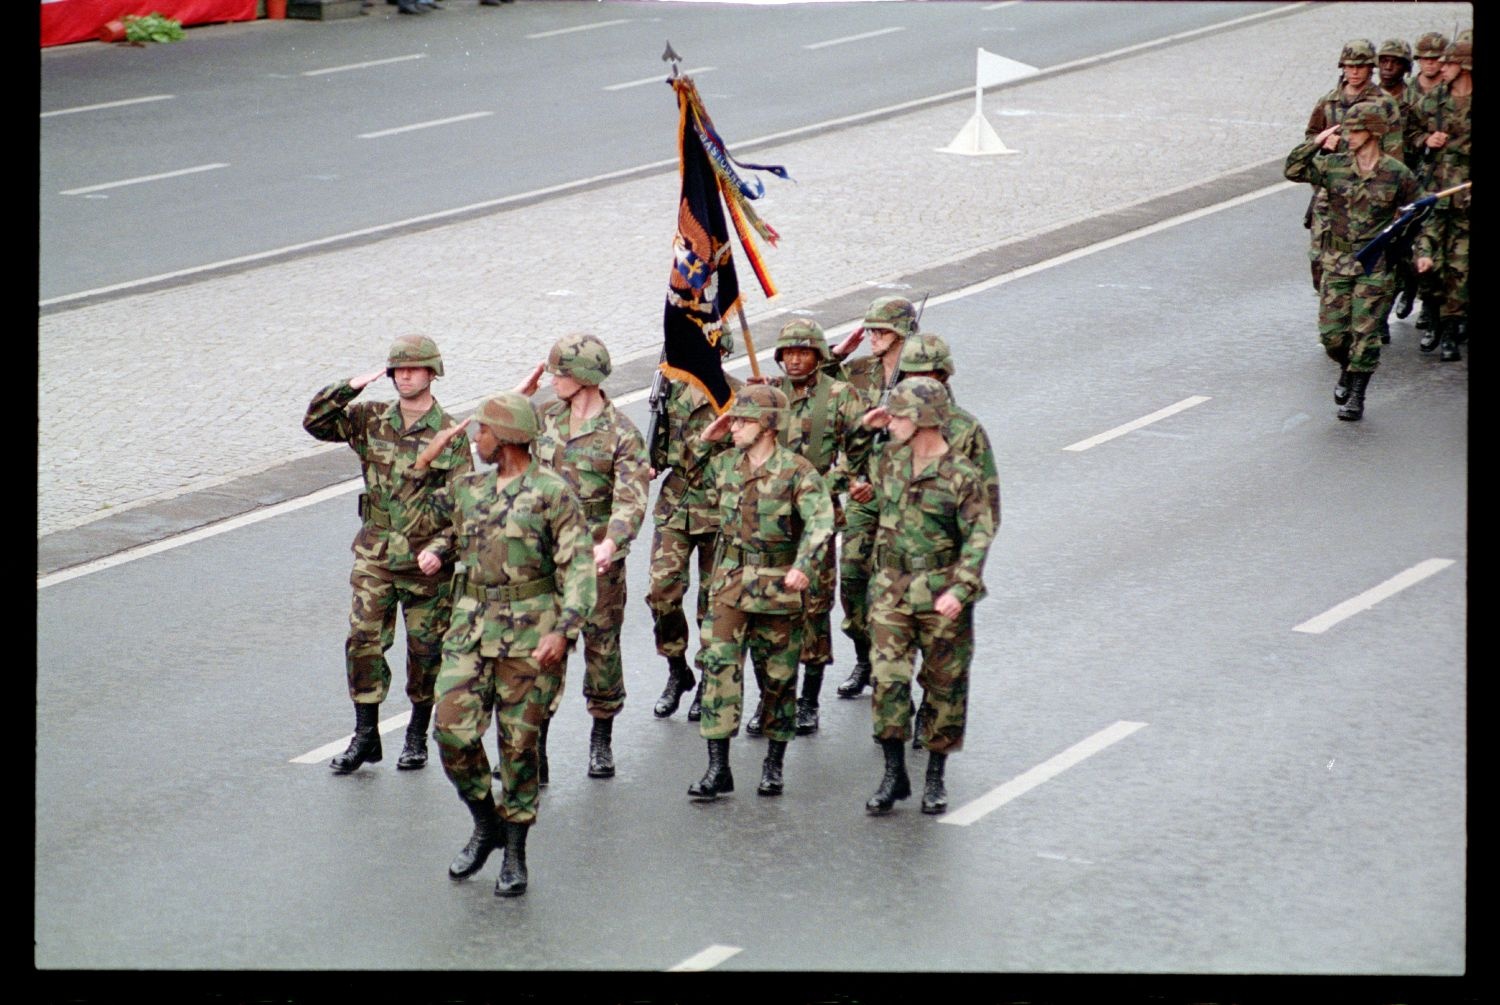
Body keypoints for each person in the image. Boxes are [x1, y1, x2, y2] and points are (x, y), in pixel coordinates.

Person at [416, 392, 595, 898]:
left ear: (510, 438)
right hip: (470, 626)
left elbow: (578, 566)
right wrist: (435, 548)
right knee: (450, 731)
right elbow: (445, 529)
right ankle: (485, 822)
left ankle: (515, 851)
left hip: (531, 635)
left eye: (484, 432)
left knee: (518, 748)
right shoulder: (468, 489)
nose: (477, 440)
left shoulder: (552, 492)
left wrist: (565, 630)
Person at [302, 335, 471, 775]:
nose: (404, 376)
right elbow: (317, 422)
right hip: (375, 553)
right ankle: (366, 734)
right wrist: (350, 386)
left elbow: (464, 506)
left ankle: (416, 733)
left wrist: (440, 549)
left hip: (424, 563)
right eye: (397, 369)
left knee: (426, 650)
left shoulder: (449, 434)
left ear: (433, 372)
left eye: (413, 369)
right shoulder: (370, 418)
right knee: (363, 641)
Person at [687, 385, 835, 800]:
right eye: (734, 419)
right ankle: (718, 768)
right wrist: (707, 437)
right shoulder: (726, 466)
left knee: (779, 677)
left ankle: (773, 763)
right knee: (718, 667)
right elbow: (687, 471)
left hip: (778, 584)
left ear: (769, 426)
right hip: (731, 582)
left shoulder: (798, 472)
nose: (734, 426)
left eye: (743, 420)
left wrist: (804, 565)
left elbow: (821, 522)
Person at [859, 378, 996, 816]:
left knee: (944, 685)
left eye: (899, 414)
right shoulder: (887, 459)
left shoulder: (962, 475)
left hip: (940, 591)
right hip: (891, 590)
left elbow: (979, 535)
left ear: (924, 420)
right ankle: (893, 772)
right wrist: (866, 429)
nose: (892, 421)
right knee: (888, 681)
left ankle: (935, 775)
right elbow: (844, 468)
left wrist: (961, 588)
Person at [516, 334, 649, 781]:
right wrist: (520, 397)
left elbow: (631, 501)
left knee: (602, 648)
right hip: (545, 556)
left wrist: (610, 544)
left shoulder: (622, 434)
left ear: (587, 378)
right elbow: (495, 437)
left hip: (595, 561)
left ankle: (601, 738)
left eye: (562, 373)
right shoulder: (543, 417)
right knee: (542, 651)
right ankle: (538, 749)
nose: (554, 380)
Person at [754, 319, 874, 736]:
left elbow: (858, 448)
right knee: (769, 607)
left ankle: (808, 699)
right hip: (773, 517)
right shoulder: (771, 395)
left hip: (818, 516)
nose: (796, 359)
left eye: (804, 352)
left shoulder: (841, 396)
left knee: (814, 606)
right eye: (788, 353)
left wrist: (827, 486)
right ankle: (771, 698)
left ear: (819, 356)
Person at [890, 333, 1001, 748]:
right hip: (898, 565)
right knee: (891, 662)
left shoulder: (966, 430)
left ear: (942, 375)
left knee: (943, 666)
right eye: (910, 374)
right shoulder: (895, 421)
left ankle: (933, 722)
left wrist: (964, 574)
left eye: (925, 374)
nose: (916, 383)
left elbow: (985, 510)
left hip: (946, 565)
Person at [1285, 102, 1426, 421]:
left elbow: (1417, 215)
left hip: (1374, 264)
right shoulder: (1334, 166)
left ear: (1374, 133)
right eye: (1346, 128)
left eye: (1355, 129)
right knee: (1332, 336)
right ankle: (1347, 367)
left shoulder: (1396, 174)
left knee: (1366, 331)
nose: (1348, 134)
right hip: (1337, 261)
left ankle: (1357, 393)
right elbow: (1292, 169)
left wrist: (1419, 250)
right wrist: (1317, 142)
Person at [644, 334, 744, 722]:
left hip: (722, 509)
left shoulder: (738, 396)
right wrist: (650, 461)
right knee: (661, 591)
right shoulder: (672, 390)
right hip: (678, 503)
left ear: (721, 353)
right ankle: (676, 668)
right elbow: (661, 447)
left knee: (714, 603)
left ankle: (706, 679)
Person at [824, 297, 919, 700]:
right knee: (853, 576)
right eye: (870, 330)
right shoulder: (859, 371)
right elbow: (821, 385)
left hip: (904, 498)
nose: (872, 338)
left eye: (881, 331)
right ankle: (863, 655)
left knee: (900, 586)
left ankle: (895, 665)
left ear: (902, 334)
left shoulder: (919, 378)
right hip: (862, 492)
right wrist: (839, 353)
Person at [1303, 40, 1401, 291]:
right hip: (1331, 190)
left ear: (1371, 69)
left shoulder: (1384, 103)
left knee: (1369, 255)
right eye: (1349, 66)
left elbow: (1394, 150)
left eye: (1361, 66)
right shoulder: (1328, 102)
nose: (1354, 71)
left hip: (1369, 190)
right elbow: (1310, 137)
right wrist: (1323, 143)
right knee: (1320, 255)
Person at [1413, 34, 1472, 362]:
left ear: (1465, 67)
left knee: (1459, 268)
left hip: (1465, 201)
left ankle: (1450, 330)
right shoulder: (1432, 102)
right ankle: (1433, 316)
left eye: (1448, 62)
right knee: (1427, 265)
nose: (1442, 67)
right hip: (1434, 194)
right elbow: (1408, 133)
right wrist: (1426, 139)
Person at [1405, 31, 1452, 334]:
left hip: (1448, 177)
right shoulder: (1410, 93)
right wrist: (1425, 139)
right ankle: (1421, 296)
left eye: (1436, 58)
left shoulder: (1453, 92)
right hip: (1415, 173)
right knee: (1416, 241)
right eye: (1425, 58)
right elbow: (1406, 132)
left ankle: (1445, 313)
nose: (1430, 63)